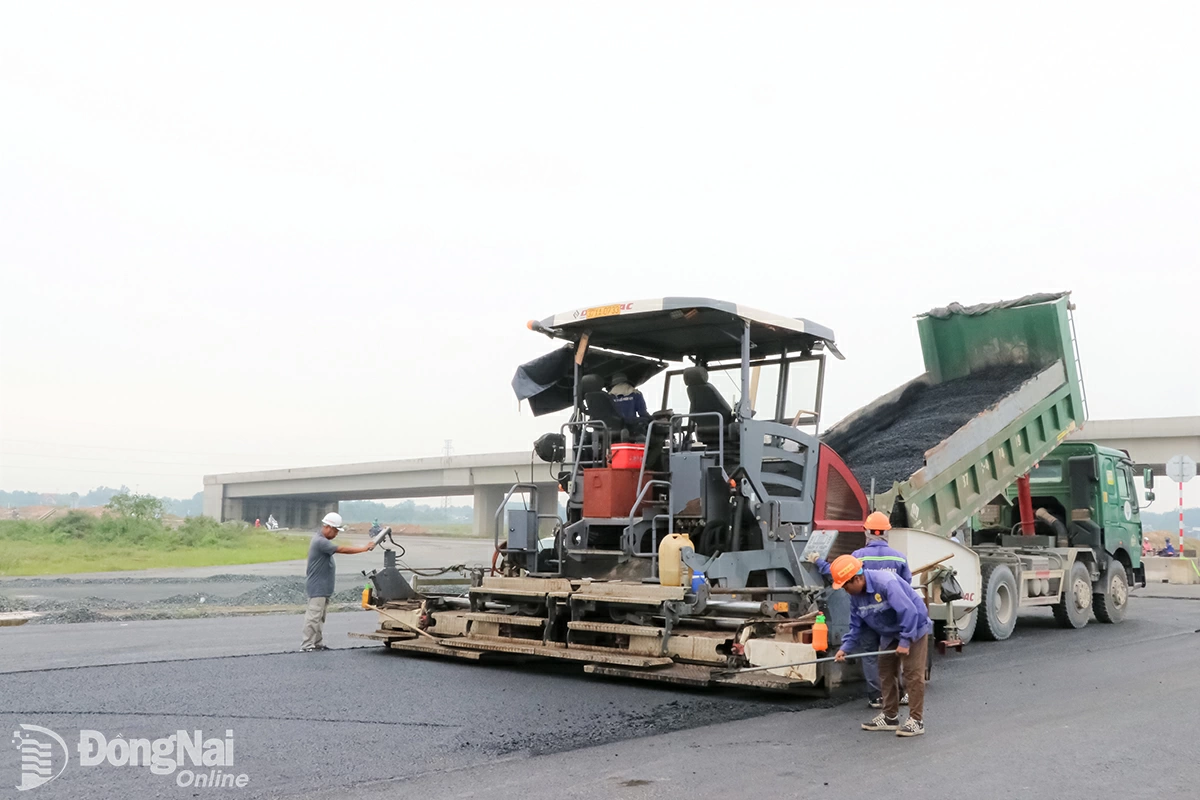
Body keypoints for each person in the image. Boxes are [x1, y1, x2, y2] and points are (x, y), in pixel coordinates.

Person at [808, 511, 911, 708]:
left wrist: (818, 561)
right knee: (895, 653)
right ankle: (901, 693)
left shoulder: (858, 557)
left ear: (867, 532)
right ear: (886, 533)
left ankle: (876, 696)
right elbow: (905, 587)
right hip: (891, 615)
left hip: (866, 614)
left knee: (870, 655)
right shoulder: (900, 559)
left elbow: (837, 573)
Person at [830, 553, 933, 738]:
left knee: (911, 673)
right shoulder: (855, 597)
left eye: (846, 585)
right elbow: (856, 626)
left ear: (858, 578)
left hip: (914, 626)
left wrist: (905, 640)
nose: (845, 590)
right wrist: (845, 648)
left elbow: (909, 611)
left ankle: (916, 720)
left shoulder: (885, 583)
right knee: (885, 670)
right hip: (889, 631)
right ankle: (890, 716)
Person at [303, 512, 377, 652]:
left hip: (323, 587)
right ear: (329, 527)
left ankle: (317, 643)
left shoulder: (322, 540)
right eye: (336, 530)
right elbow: (341, 549)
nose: (336, 533)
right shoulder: (320, 541)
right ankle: (307, 645)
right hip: (317, 587)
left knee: (320, 617)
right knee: (313, 618)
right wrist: (363, 548)